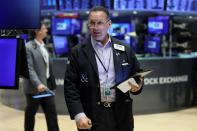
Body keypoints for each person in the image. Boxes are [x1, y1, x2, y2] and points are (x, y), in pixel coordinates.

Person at [64, 6, 144, 131]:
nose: (96, 28)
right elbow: (70, 87)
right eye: (92, 23)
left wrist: (137, 87)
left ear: (109, 24)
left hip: (121, 114)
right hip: (91, 115)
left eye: (100, 23)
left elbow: (137, 75)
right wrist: (79, 115)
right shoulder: (78, 52)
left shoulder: (124, 49)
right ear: (88, 24)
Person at [23, 23, 59, 131]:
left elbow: (47, 66)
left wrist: (50, 83)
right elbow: (29, 69)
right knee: (30, 114)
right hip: (34, 89)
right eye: (44, 28)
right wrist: (38, 83)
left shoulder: (43, 46)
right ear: (37, 31)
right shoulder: (28, 47)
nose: (46, 30)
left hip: (47, 87)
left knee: (52, 114)